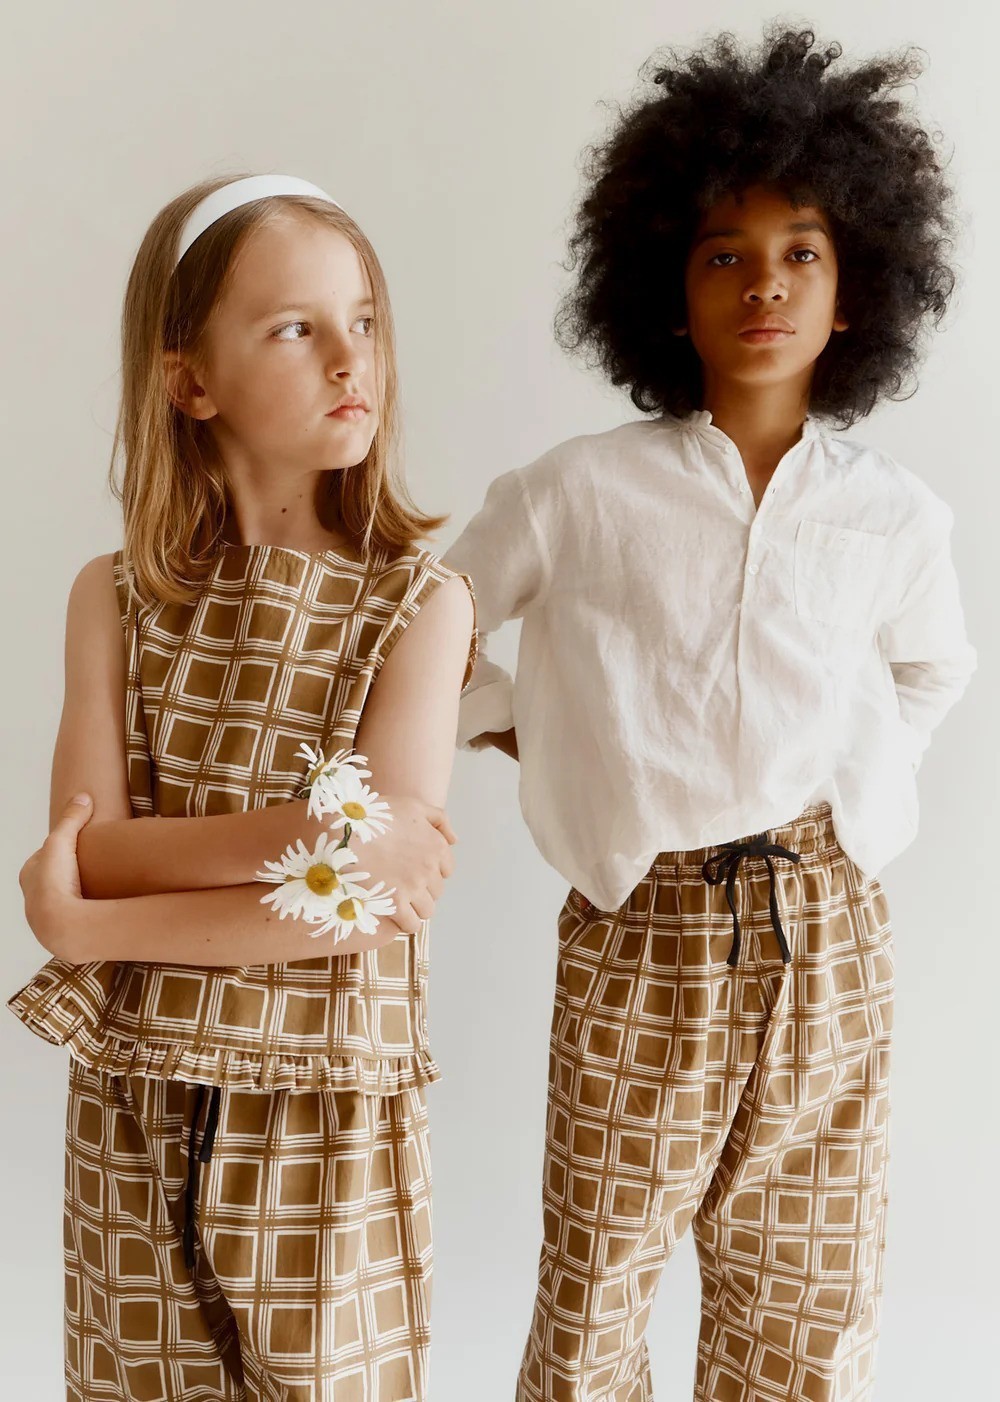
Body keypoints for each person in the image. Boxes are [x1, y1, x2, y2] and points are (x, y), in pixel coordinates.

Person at [444, 28, 976, 1402]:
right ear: (666, 295)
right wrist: (524, 723)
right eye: (724, 256)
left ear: (856, 291)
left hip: (829, 933)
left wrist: (867, 790)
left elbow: (933, 671)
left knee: (805, 1293)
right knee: (596, 1289)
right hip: (645, 928)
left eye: (802, 252)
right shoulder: (576, 491)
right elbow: (428, 625)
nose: (766, 284)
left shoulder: (893, 514)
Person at [9, 173, 476, 1401]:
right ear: (190, 382)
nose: (348, 357)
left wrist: (90, 929)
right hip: (136, 1096)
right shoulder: (113, 596)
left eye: (362, 320)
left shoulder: (419, 606)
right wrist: (317, 832)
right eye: (294, 327)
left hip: (326, 1110)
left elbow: (358, 908)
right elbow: (90, 848)